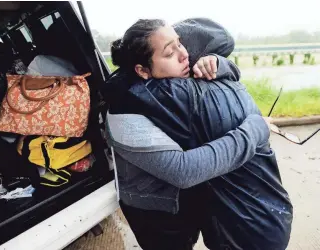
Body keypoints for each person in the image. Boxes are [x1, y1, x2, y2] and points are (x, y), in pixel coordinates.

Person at [104, 18, 293, 250]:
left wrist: (218, 64)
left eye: (179, 44)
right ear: (142, 70)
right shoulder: (126, 111)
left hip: (191, 200)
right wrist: (254, 131)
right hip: (157, 210)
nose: (184, 55)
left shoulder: (174, 77)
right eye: (169, 52)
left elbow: (230, 65)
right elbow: (183, 170)